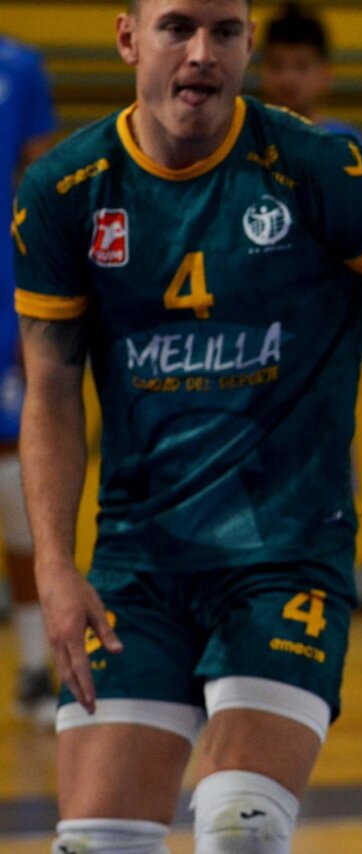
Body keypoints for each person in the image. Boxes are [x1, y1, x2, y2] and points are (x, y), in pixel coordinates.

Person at [11, 0, 362, 851]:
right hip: (137, 565)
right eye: (178, 27)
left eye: (226, 30)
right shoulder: (66, 191)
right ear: (128, 37)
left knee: (239, 831)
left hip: (285, 557)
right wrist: (59, 570)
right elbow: (53, 387)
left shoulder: (320, 168)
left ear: (248, 42)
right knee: (97, 842)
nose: (203, 53)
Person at [1, 33, 57, 728]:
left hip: (4, 297)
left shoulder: (19, 65)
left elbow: (39, 195)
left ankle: (38, 665)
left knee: (16, 484)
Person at [258, 2, 362, 164]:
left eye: (302, 66)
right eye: (276, 65)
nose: (288, 79)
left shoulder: (356, 154)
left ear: (326, 74)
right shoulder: (239, 147)